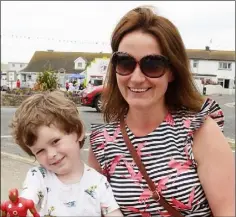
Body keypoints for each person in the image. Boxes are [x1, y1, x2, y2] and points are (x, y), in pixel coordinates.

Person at [88, 6, 235, 217]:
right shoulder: (101, 143)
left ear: (172, 71)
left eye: (153, 65)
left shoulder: (200, 131)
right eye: (125, 63)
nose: (137, 78)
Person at [10, 91, 123, 217]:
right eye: (40, 151)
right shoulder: (38, 177)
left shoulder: (99, 183)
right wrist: (19, 206)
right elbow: (27, 198)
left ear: (79, 131)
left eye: (55, 141)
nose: (51, 154)